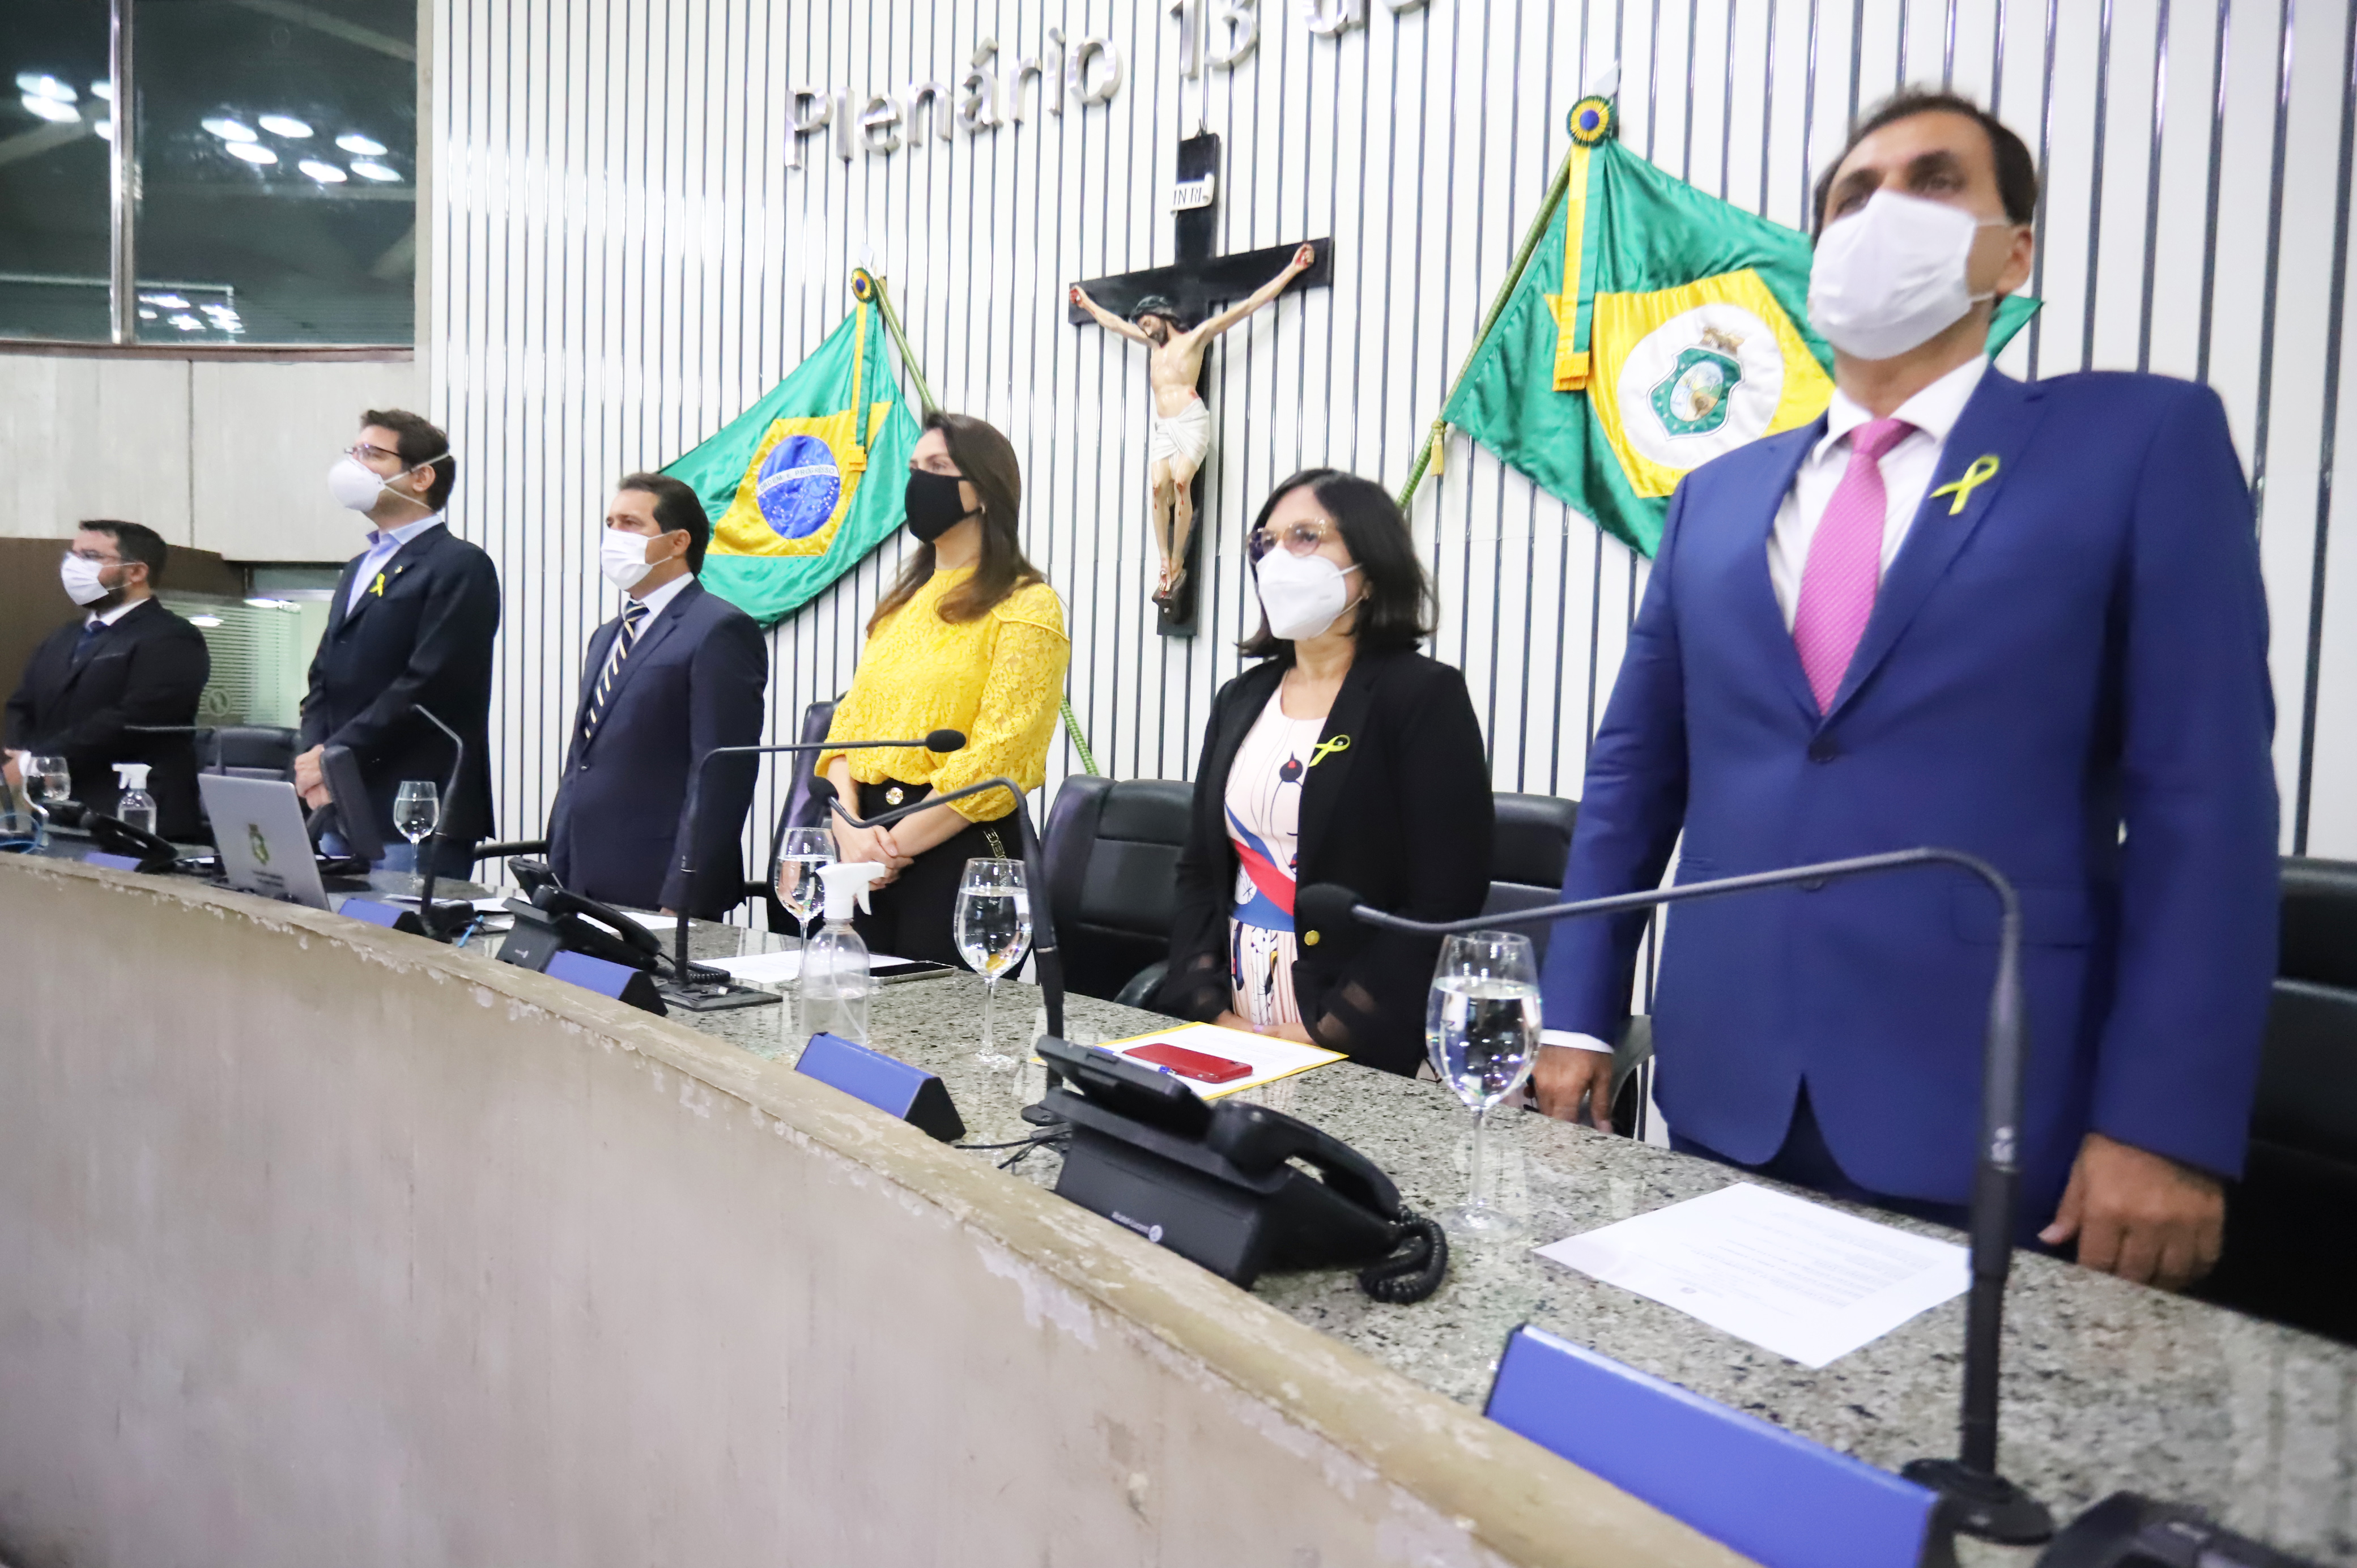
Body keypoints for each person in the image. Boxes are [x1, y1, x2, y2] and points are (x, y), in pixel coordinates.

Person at [1530, 90, 2278, 1292]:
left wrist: (2165, 1122)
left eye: (1934, 181)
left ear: (2011, 252)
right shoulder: (1716, 495)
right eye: (1852, 194)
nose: (1883, 211)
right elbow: (1634, 774)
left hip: (1994, 1108)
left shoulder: (2136, 444)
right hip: (1724, 1086)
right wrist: (1577, 1014)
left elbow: (2206, 804)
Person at [1158, 470, 1493, 1076]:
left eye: (1306, 537)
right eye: (1266, 542)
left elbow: (1443, 899)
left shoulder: (1421, 695)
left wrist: (1328, 1029)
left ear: (1370, 566)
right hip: (1233, 1022)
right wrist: (1208, 1007)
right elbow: (1199, 869)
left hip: (1356, 1031)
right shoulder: (1242, 697)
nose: (1278, 558)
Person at [816, 411, 1069, 965]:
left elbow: (1000, 754)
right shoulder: (900, 605)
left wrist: (887, 849)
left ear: (985, 490)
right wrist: (850, 831)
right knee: (850, 1004)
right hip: (865, 842)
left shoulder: (1027, 604)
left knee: (932, 1017)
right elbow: (846, 732)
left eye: (937, 467)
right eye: (914, 468)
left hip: (959, 845)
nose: (918, 481)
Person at [544, 475, 768, 917]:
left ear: (678, 542)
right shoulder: (607, 636)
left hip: (660, 883)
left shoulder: (719, 628)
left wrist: (685, 893)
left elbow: (721, 774)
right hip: (581, 874)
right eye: (610, 523)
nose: (614, 536)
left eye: (630, 523)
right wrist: (558, 863)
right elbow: (584, 760)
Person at [295, 410, 501, 876]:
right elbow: (324, 674)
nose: (355, 465)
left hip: (411, 807)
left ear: (422, 477)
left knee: (401, 923)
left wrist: (334, 757)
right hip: (337, 799)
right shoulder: (359, 566)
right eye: (354, 453)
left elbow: (430, 682)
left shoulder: (459, 564)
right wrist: (315, 757)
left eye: (372, 454)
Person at [1070, 243, 1316, 603]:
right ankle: (1165, 560)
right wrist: (1088, 305)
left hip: (1190, 420)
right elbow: (1114, 323)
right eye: (1141, 326)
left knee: (1181, 482)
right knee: (1158, 487)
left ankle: (1178, 558)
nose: (1144, 329)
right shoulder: (1152, 347)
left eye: (1148, 322)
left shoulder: (1195, 339)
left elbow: (1249, 306)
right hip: (1164, 426)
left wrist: (1292, 270)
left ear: (1162, 315)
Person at [4, 521, 210, 839]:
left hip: (134, 813)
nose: (73, 566)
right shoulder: (63, 637)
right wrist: (19, 759)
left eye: (90, 556)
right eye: (72, 555)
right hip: (58, 810)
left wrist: (41, 761)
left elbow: (138, 717)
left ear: (136, 572)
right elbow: (22, 705)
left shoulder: (172, 637)